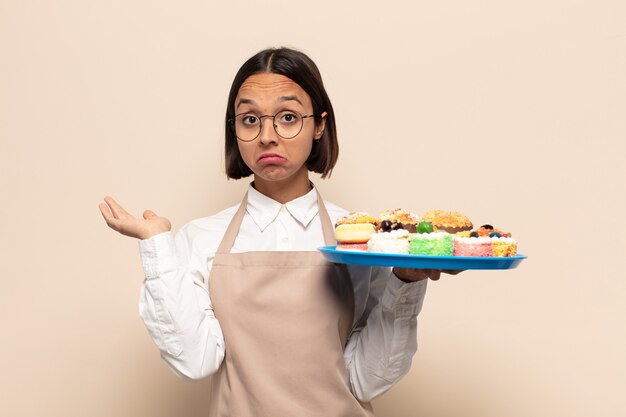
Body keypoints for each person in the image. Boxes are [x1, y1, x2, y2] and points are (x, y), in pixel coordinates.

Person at [99, 47, 458, 417]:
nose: (267, 136)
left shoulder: (358, 239)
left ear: (319, 124)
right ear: (234, 129)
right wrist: (158, 245)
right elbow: (195, 361)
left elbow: (368, 379)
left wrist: (407, 281)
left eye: (288, 117)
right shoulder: (201, 238)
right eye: (250, 119)